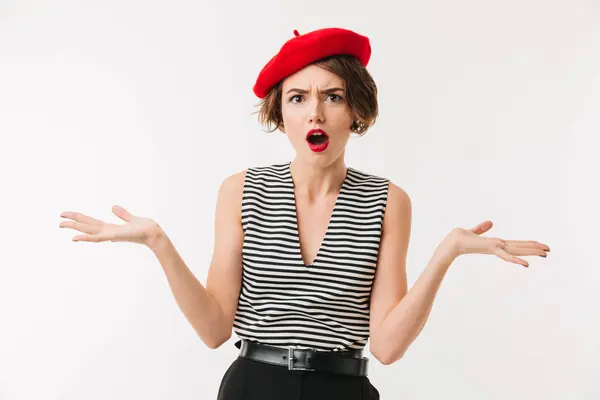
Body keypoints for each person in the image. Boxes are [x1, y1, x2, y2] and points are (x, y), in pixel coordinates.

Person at [59, 27, 550, 399]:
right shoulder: (241, 191)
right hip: (253, 386)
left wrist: (446, 254)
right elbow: (214, 330)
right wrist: (158, 243)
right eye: (298, 98)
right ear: (281, 116)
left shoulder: (388, 201)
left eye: (332, 96)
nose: (315, 112)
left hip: (345, 389)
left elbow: (387, 347)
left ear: (355, 112)